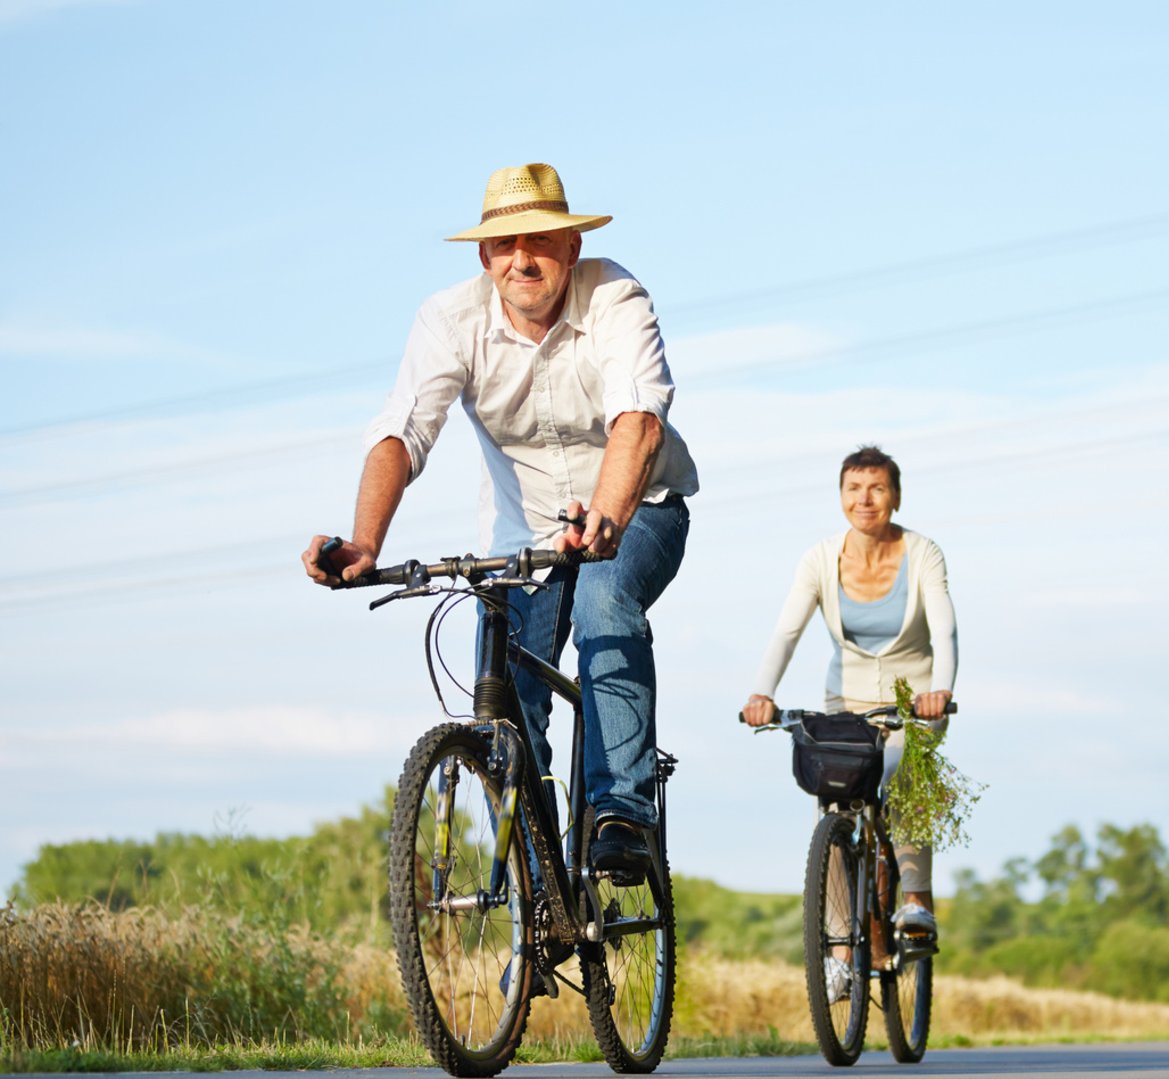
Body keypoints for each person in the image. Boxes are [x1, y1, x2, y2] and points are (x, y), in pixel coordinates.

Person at [303, 163, 698, 882]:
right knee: (505, 706)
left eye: (541, 242)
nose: (523, 259)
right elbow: (402, 431)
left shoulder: (615, 295)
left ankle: (620, 815)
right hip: (525, 541)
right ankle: (534, 891)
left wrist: (606, 517)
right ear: (484, 257)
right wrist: (365, 543)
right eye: (505, 244)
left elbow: (637, 421)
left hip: (637, 512)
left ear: (571, 249)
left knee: (603, 599)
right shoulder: (450, 319)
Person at [742, 445, 958, 943]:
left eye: (877, 488)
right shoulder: (819, 559)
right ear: (841, 496)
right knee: (836, 806)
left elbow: (945, 631)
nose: (865, 499)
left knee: (905, 770)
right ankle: (840, 950)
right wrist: (761, 692)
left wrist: (940, 691)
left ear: (896, 497)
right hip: (848, 702)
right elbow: (786, 633)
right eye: (854, 489)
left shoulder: (923, 554)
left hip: (915, 702)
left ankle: (915, 899)